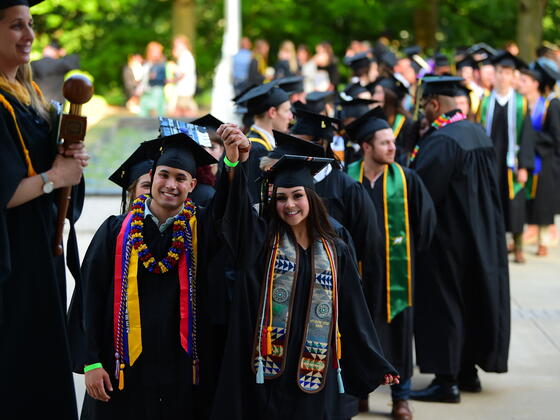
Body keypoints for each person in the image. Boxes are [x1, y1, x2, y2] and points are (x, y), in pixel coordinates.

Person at [209, 129, 399, 419]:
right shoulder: (261, 241)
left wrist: (375, 361)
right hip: (267, 371)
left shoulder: (336, 248)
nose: (290, 205)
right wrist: (235, 163)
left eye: (297, 195)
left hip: (314, 370)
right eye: (282, 198)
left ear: (311, 197)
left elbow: (353, 308)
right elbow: (233, 215)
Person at [79, 127, 245, 419]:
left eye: (181, 178)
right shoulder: (114, 231)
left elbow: (230, 212)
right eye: (164, 175)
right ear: (152, 178)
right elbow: (88, 298)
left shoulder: (203, 229)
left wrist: (231, 162)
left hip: (181, 371)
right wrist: (91, 362)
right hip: (122, 369)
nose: (171, 184)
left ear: (192, 185)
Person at [0, 1, 89, 418]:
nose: (29, 34)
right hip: (13, 259)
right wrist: (56, 177)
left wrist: (70, 158)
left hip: (39, 253)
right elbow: (5, 191)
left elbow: (54, 170)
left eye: (30, 24)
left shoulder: (29, 95)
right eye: (16, 26)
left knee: (41, 358)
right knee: (19, 365)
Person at [408, 76, 510, 403]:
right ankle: (468, 371)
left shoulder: (442, 141)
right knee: (469, 300)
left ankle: (446, 380)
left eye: (425, 104)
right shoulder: (476, 132)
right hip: (480, 236)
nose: (422, 111)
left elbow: (423, 193)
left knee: (444, 305)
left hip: (447, 240)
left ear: (435, 104)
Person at [345, 108, 436, 420]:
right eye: (384, 143)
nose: (392, 148)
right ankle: (358, 394)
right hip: (355, 272)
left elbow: (426, 224)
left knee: (398, 333)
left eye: (393, 142)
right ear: (366, 147)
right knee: (356, 331)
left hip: (395, 272)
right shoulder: (347, 179)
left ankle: (401, 398)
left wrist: (405, 255)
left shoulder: (407, 179)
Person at [477, 51, 535, 263]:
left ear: (513, 77)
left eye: (507, 73)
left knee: (515, 204)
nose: (503, 77)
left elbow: (527, 136)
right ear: (495, 74)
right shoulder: (484, 102)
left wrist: (524, 167)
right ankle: (495, 245)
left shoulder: (521, 103)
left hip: (513, 162)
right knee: (492, 202)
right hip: (491, 161)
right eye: (500, 72)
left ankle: (518, 246)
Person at [518, 61, 560, 256]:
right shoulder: (522, 104)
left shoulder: (550, 105)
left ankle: (543, 240)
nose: (520, 84)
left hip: (544, 158)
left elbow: (555, 136)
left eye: (524, 81)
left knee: (543, 199)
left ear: (536, 83)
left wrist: (531, 138)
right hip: (526, 156)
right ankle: (526, 233)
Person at [234, 82, 293, 203]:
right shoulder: (256, 149)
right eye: (287, 111)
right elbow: (254, 198)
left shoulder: (258, 143)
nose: (291, 117)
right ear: (272, 112)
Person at [369, 75, 416, 164]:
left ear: (389, 96)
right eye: (374, 93)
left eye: (379, 92)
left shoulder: (407, 123)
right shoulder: (375, 121)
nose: (374, 97)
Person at [30, 40, 79, 104]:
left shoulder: (34, 64)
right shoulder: (61, 64)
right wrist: (64, 53)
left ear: (46, 49)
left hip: (36, 103)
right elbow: (74, 62)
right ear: (57, 52)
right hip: (55, 105)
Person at [170, 35, 198, 118]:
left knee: (184, 110)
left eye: (177, 45)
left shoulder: (185, 56)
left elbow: (182, 74)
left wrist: (172, 80)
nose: (175, 47)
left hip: (184, 88)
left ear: (184, 45)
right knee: (180, 110)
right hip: (184, 89)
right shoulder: (184, 56)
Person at [139, 41, 167, 118]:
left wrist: (155, 77)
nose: (157, 54)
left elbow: (164, 79)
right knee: (143, 112)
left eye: (158, 52)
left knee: (157, 112)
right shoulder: (146, 63)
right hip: (146, 90)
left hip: (157, 90)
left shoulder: (161, 64)